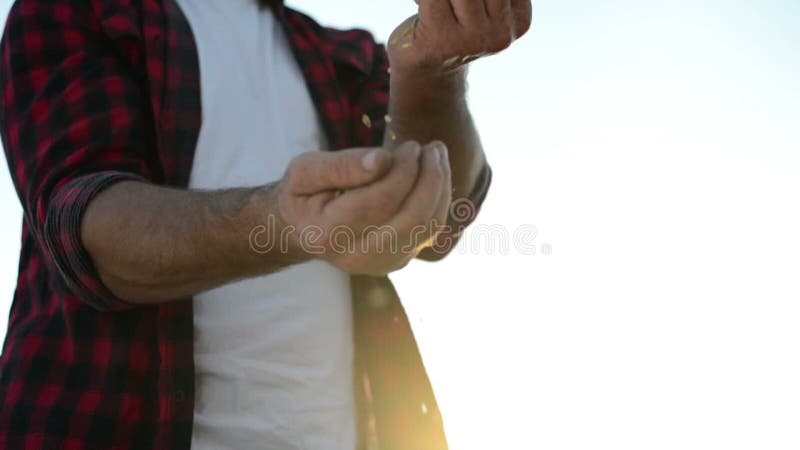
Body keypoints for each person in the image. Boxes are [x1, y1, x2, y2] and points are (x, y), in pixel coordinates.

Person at [0, 0, 531, 448]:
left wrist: (433, 73)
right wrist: (282, 222)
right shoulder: (76, 9)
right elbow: (89, 236)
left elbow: (440, 224)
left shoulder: (341, 53)